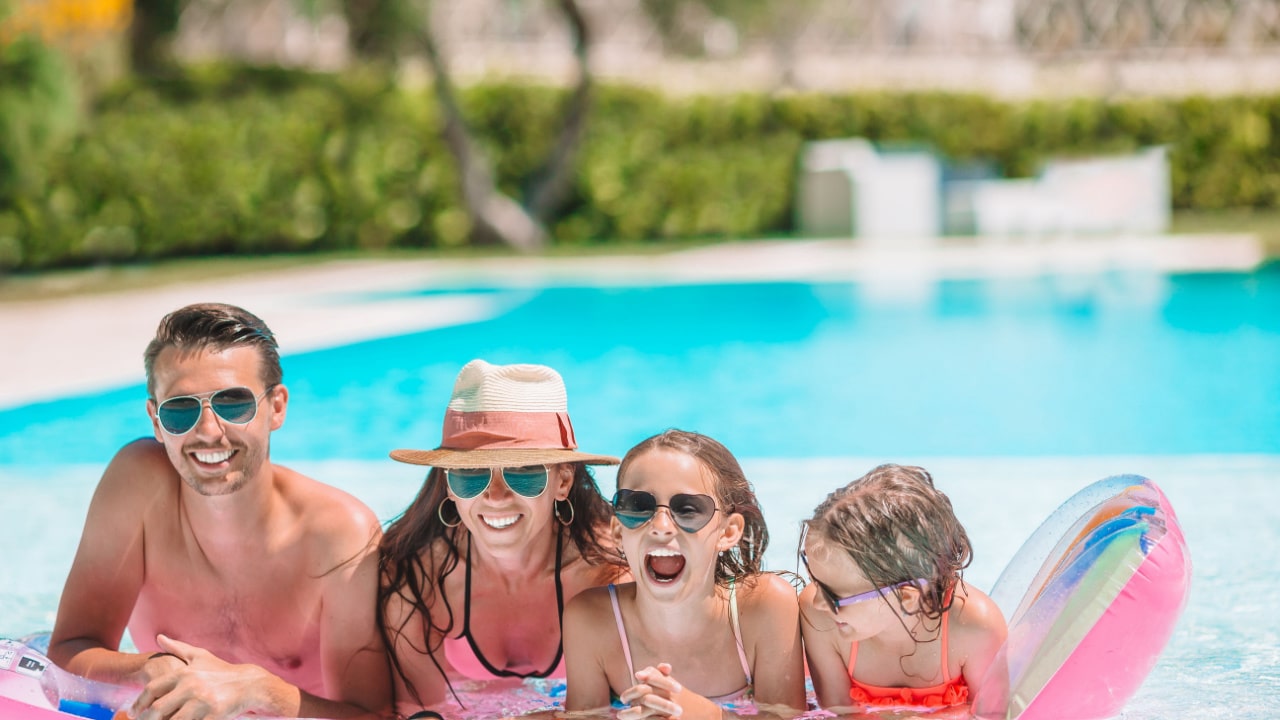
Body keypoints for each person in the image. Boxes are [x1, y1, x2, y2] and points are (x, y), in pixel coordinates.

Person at [47, 302, 390, 720]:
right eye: (180, 410)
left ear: (276, 407)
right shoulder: (137, 486)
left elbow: (376, 716)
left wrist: (259, 689)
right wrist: (153, 669)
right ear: (156, 421)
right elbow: (68, 651)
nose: (209, 432)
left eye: (233, 403)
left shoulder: (339, 535)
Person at [378, 359, 628, 717]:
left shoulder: (611, 573)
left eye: (523, 472)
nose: (495, 496)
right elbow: (416, 710)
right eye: (471, 473)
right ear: (449, 484)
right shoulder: (418, 579)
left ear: (563, 481)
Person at [563, 429, 806, 720]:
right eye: (639, 506)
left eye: (688, 509)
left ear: (728, 532)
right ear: (617, 531)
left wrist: (708, 715)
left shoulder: (764, 607)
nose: (661, 525)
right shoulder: (592, 620)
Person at [798, 463, 1007, 713]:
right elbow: (839, 713)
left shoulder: (975, 629)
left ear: (907, 598)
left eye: (833, 595)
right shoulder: (820, 616)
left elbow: (991, 714)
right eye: (814, 579)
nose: (819, 601)